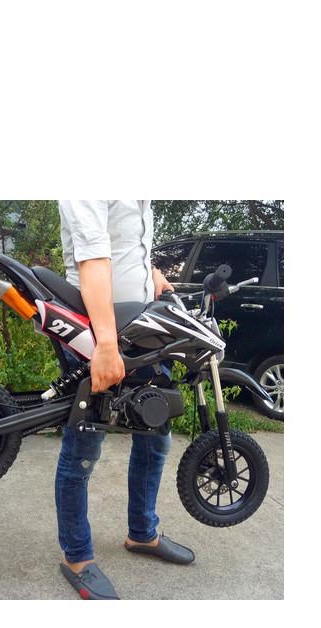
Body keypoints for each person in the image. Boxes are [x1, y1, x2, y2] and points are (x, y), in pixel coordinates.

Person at [55, 200, 196, 600]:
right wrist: (105, 345)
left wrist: (152, 274)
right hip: (98, 331)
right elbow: (93, 258)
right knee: (83, 449)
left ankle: (142, 533)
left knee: (155, 432)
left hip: (140, 325)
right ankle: (77, 557)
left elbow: (127, 245)